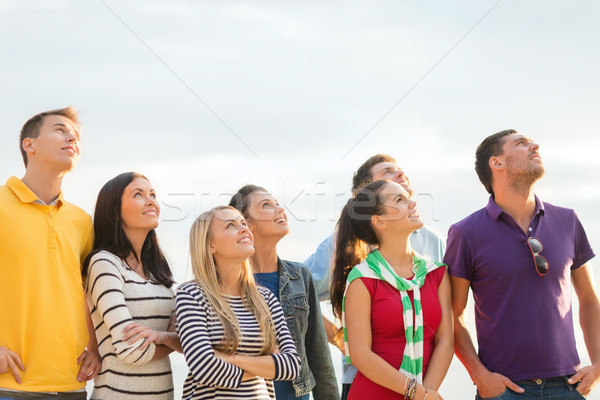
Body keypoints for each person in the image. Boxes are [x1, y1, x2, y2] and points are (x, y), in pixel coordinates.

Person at [445, 130, 600, 399]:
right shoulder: (465, 233)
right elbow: (452, 315)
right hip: (504, 389)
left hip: (568, 386)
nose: (534, 145)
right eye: (521, 143)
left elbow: (589, 300)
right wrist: (480, 376)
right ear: (497, 163)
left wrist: (598, 365)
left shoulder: (568, 220)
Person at [304, 154, 446, 399]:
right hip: (372, 383)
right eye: (388, 173)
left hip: (426, 387)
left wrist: (426, 393)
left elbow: (447, 334)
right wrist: (341, 337)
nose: (400, 175)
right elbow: (301, 290)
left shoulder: (435, 253)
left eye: (401, 171)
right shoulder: (353, 264)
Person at [0, 107, 101, 399]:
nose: (72, 137)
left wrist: (94, 348)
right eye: (60, 129)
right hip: (8, 384)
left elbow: (88, 292)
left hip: (70, 384)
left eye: (76, 135)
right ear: (29, 145)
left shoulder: (81, 221)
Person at [330, 180, 453, 400]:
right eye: (400, 200)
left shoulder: (437, 274)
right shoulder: (363, 279)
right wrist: (417, 393)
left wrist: (427, 394)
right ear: (379, 221)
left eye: (407, 196)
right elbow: (359, 355)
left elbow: (445, 341)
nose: (413, 203)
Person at [176, 206, 301, 399]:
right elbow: (204, 367)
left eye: (243, 223)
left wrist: (229, 358)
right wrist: (265, 366)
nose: (244, 229)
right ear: (210, 245)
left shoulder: (265, 298)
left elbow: (292, 365)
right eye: (230, 225)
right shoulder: (191, 295)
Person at [229, 185, 339, 400]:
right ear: (247, 223)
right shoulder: (227, 282)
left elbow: (318, 354)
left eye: (277, 203)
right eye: (266, 205)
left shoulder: (300, 275)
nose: (280, 209)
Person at [82, 172, 181, 399]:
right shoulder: (104, 263)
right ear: (114, 212)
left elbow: (188, 340)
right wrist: (172, 339)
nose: (151, 201)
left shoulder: (158, 270)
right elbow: (132, 351)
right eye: (138, 194)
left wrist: (162, 337)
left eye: (153, 194)